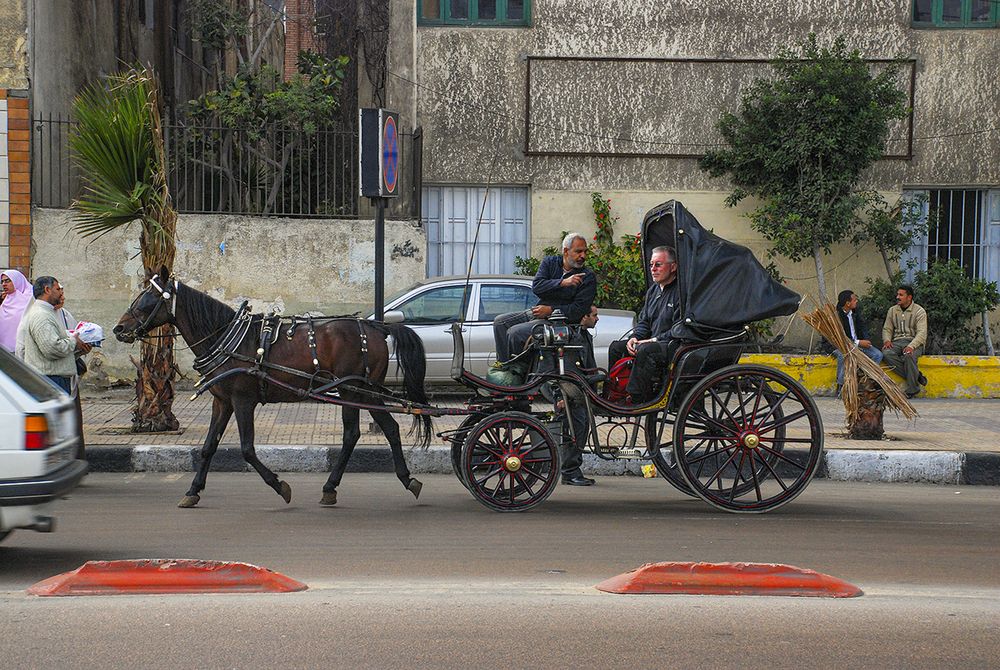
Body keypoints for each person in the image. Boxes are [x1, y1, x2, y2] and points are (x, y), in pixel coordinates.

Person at [493, 232, 596, 363]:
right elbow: (537, 287)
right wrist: (562, 283)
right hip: (538, 313)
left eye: (585, 252)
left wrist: (550, 310)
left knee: (515, 333)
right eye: (578, 251)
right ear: (566, 251)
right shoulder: (550, 262)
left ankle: (517, 371)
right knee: (500, 322)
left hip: (560, 323)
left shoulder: (587, 276)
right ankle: (504, 366)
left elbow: (578, 310)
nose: (583, 256)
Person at [607, 246, 679, 404]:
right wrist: (635, 337)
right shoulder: (653, 291)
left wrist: (652, 340)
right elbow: (644, 321)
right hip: (652, 342)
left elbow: (679, 329)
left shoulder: (681, 293)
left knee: (645, 350)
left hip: (672, 346)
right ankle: (614, 392)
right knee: (616, 347)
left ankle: (637, 398)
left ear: (673, 267)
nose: (653, 269)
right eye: (651, 264)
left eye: (658, 264)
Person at [19, 276, 91, 395]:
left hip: (54, 378)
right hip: (50, 380)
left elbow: (56, 348)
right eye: (57, 290)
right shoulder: (41, 315)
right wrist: (74, 341)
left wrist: (79, 350)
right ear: (47, 290)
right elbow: (52, 349)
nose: (61, 294)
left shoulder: (48, 313)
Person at [553, 305, 600, 486]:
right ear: (584, 317)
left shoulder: (583, 335)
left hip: (580, 392)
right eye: (594, 315)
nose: (597, 319)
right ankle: (570, 471)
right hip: (572, 394)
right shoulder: (574, 337)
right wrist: (560, 396)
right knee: (575, 429)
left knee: (579, 428)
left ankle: (572, 470)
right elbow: (564, 370)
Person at [832, 289, 884, 397]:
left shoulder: (855, 312)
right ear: (848, 303)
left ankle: (866, 382)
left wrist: (866, 340)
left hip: (857, 344)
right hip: (841, 345)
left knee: (877, 355)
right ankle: (841, 386)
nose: (856, 302)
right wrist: (859, 342)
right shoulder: (836, 316)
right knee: (843, 355)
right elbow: (840, 338)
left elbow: (862, 327)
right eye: (855, 300)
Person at [882, 284, 928, 399]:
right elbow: (887, 329)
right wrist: (887, 340)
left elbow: (922, 333)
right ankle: (916, 376)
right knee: (886, 353)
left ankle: (913, 388)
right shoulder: (892, 310)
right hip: (897, 342)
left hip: (914, 342)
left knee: (908, 355)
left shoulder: (919, 311)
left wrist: (911, 346)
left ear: (909, 297)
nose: (897, 297)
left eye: (901, 295)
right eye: (897, 294)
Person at [0, 269, 33, 353]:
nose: (4, 284)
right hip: (4, 350)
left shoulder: (30, 299)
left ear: (17, 280)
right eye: (2, 281)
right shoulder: (6, 299)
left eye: (7, 281)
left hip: (24, 349)